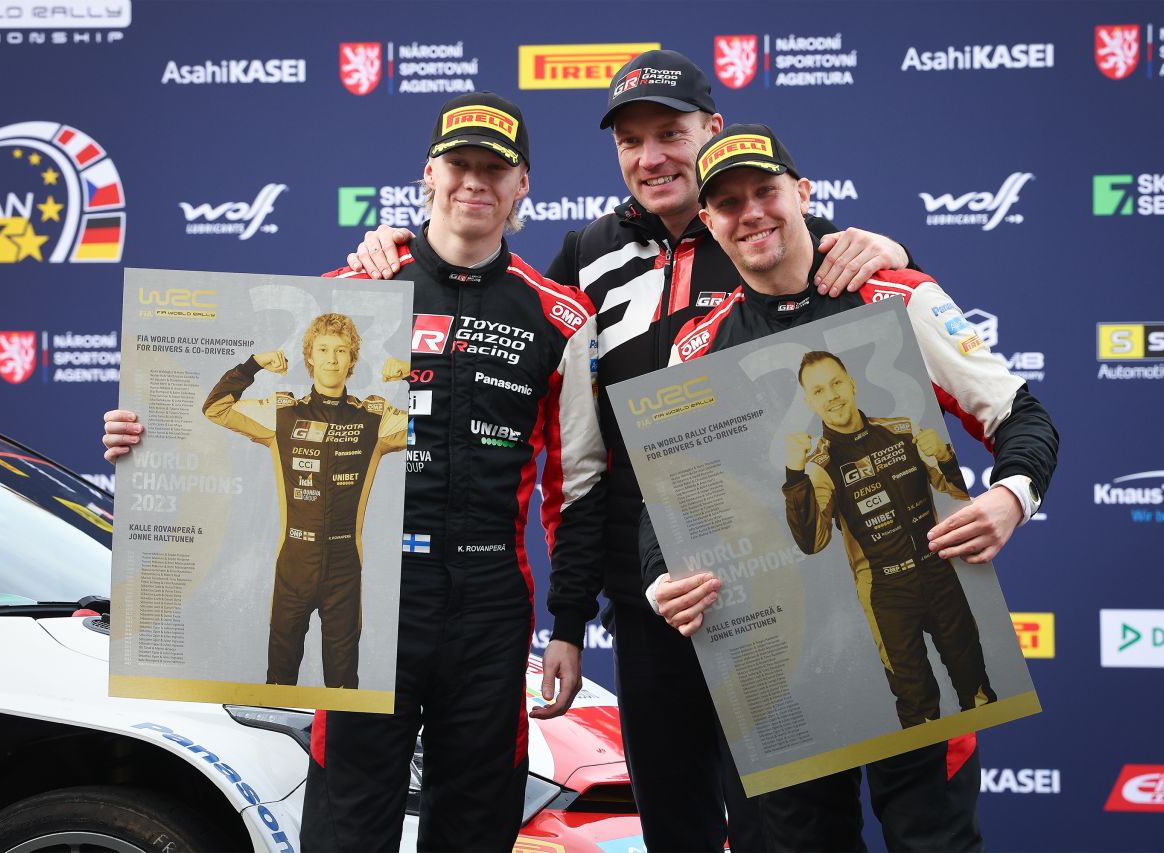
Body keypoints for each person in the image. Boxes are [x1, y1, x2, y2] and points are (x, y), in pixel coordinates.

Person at [342, 50, 918, 852]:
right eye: (631, 141)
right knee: (673, 820)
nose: (652, 158)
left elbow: (889, 316)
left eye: (670, 134)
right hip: (648, 588)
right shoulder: (586, 255)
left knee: (781, 827)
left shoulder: (772, 231)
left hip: (779, 579)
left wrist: (888, 249)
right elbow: (499, 314)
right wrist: (394, 255)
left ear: (712, 130)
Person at [104, 92, 608, 852]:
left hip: (489, 604)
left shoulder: (561, 316)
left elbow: (575, 489)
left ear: (522, 185)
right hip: (372, 591)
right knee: (349, 814)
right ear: (428, 175)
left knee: (477, 820)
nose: (475, 181)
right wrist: (149, 436)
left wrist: (568, 624)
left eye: (495, 168)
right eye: (459, 164)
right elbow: (233, 424)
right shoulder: (351, 293)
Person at [642, 124, 1058, 852]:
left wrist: (1011, 497)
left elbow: (1020, 415)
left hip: (929, 601)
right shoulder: (696, 345)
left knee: (935, 840)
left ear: (802, 195)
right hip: (788, 645)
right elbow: (671, 495)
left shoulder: (896, 295)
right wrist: (659, 577)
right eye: (729, 203)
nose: (751, 214)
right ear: (707, 220)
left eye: (766, 191)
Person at [784, 349, 996, 728]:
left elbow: (959, 491)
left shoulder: (903, 430)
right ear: (809, 402)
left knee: (977, 687)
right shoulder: (818, 466)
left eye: (836, 383)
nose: (831, 396)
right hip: (886, 593)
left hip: (939, 574)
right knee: (918, 708)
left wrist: (945, 456)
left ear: (852, 384)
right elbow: (812, 542)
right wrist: (794, 475)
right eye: (818, 391)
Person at [200, 313, 408, 688]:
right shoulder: (282, 413)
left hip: (345, 566)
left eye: (341, 350)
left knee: (343, 685)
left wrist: (417, 375)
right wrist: (252, 365)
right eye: (323, 349)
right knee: (280, 680)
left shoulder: (374, 419)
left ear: (352, 358)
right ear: (309, 356)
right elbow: (216, 407)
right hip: (295, 562)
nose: (332, 359)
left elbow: (441, 428)